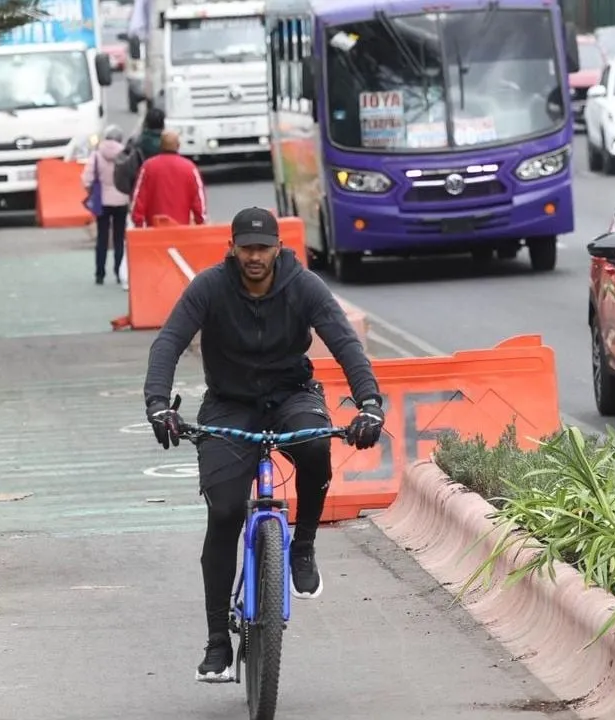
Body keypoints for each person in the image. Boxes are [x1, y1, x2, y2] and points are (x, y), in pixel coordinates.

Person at [141, 207, 385, 684]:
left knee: (316, 448)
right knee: (226, 511)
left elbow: (345, 343)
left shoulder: (304, 286)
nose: (255, 256)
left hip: (291, 396)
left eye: (263, 247)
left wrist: (370, 402)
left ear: (278, 247)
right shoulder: (210, 287)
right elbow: (168, 342)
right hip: (229, 405)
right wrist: (157, 404)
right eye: (246, 247)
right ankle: (217, 643)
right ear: (232, 248)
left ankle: (304, 548)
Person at [81, 125, 131, 286]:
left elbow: (86, 178)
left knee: (102, 238)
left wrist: (92, 191)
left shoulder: (96, 155)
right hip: (122, 199)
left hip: (102, 201)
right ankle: (118, 272)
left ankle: (100, 273)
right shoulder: (125, 155)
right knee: (119, 238)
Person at [129, 130, 208, 227]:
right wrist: (200, 221)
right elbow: (199, 201)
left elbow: (138, 198)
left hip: (154, 231)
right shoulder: (190, 168)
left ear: (160, 146)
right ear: (178, 146)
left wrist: (139, 224)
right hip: (182, 231)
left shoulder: (148, 167)